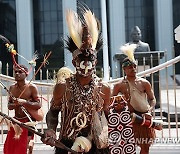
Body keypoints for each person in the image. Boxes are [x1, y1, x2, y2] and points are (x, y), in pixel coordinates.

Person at [41, 8, 111, 154]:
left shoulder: (104, 88)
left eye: (90, 60)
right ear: (74, 62)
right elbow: (53, 112)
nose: (86, 64)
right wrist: (50, 130)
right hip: (67, 144)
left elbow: (108, 115)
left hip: (96, 146)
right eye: (82, 60)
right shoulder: (63, 86)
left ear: (96, 62)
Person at [112, 53, 156, 154]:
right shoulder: (119, 85)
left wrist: (149, 110)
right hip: (128, 118)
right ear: (124, 69)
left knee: (145, 147)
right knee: (128, 147)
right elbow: (112, 101)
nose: (133, 69)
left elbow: (152, 99)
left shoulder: (144, 83)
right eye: (129, 67)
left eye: (134, 66)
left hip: (144, 117)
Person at [4, 65, 42, 154]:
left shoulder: (31, 87)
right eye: (16, 72)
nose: (17, 74)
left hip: (28, 122)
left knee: (24, 149)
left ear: (26, 74)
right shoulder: (12, 88)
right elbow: (9, 106)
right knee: (9, 148)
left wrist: (24, 102)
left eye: (20, 72)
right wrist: (15, 104)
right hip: (16, 122)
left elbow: (38, 104)